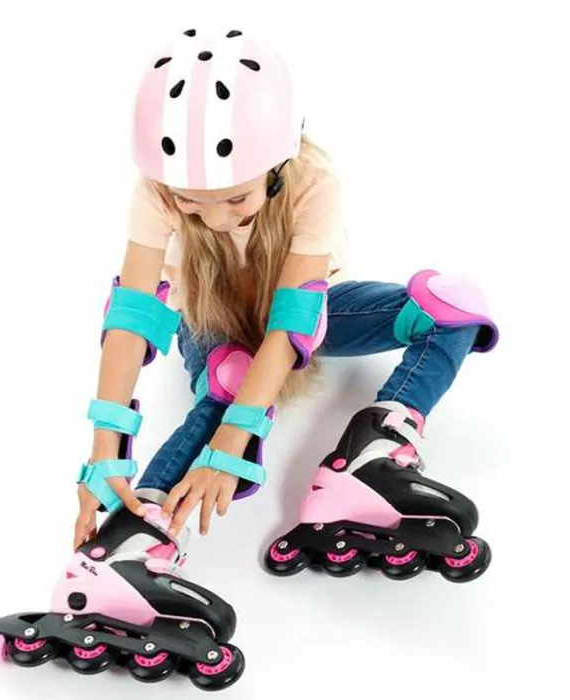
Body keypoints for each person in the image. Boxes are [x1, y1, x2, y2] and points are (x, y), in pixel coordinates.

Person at [74, 27, 498, 584]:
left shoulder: (311, 182)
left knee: (451, 305)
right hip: (210, 318)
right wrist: (105, 449)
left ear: (277, 168)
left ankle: (371, 457)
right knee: (232, 375)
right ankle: (135, 534)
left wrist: (234, 439)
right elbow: (133, 316)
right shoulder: (154, 190)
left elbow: (292, 324)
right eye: (191, 204)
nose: (216, 219)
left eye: (236, 199)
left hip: (302, 318)